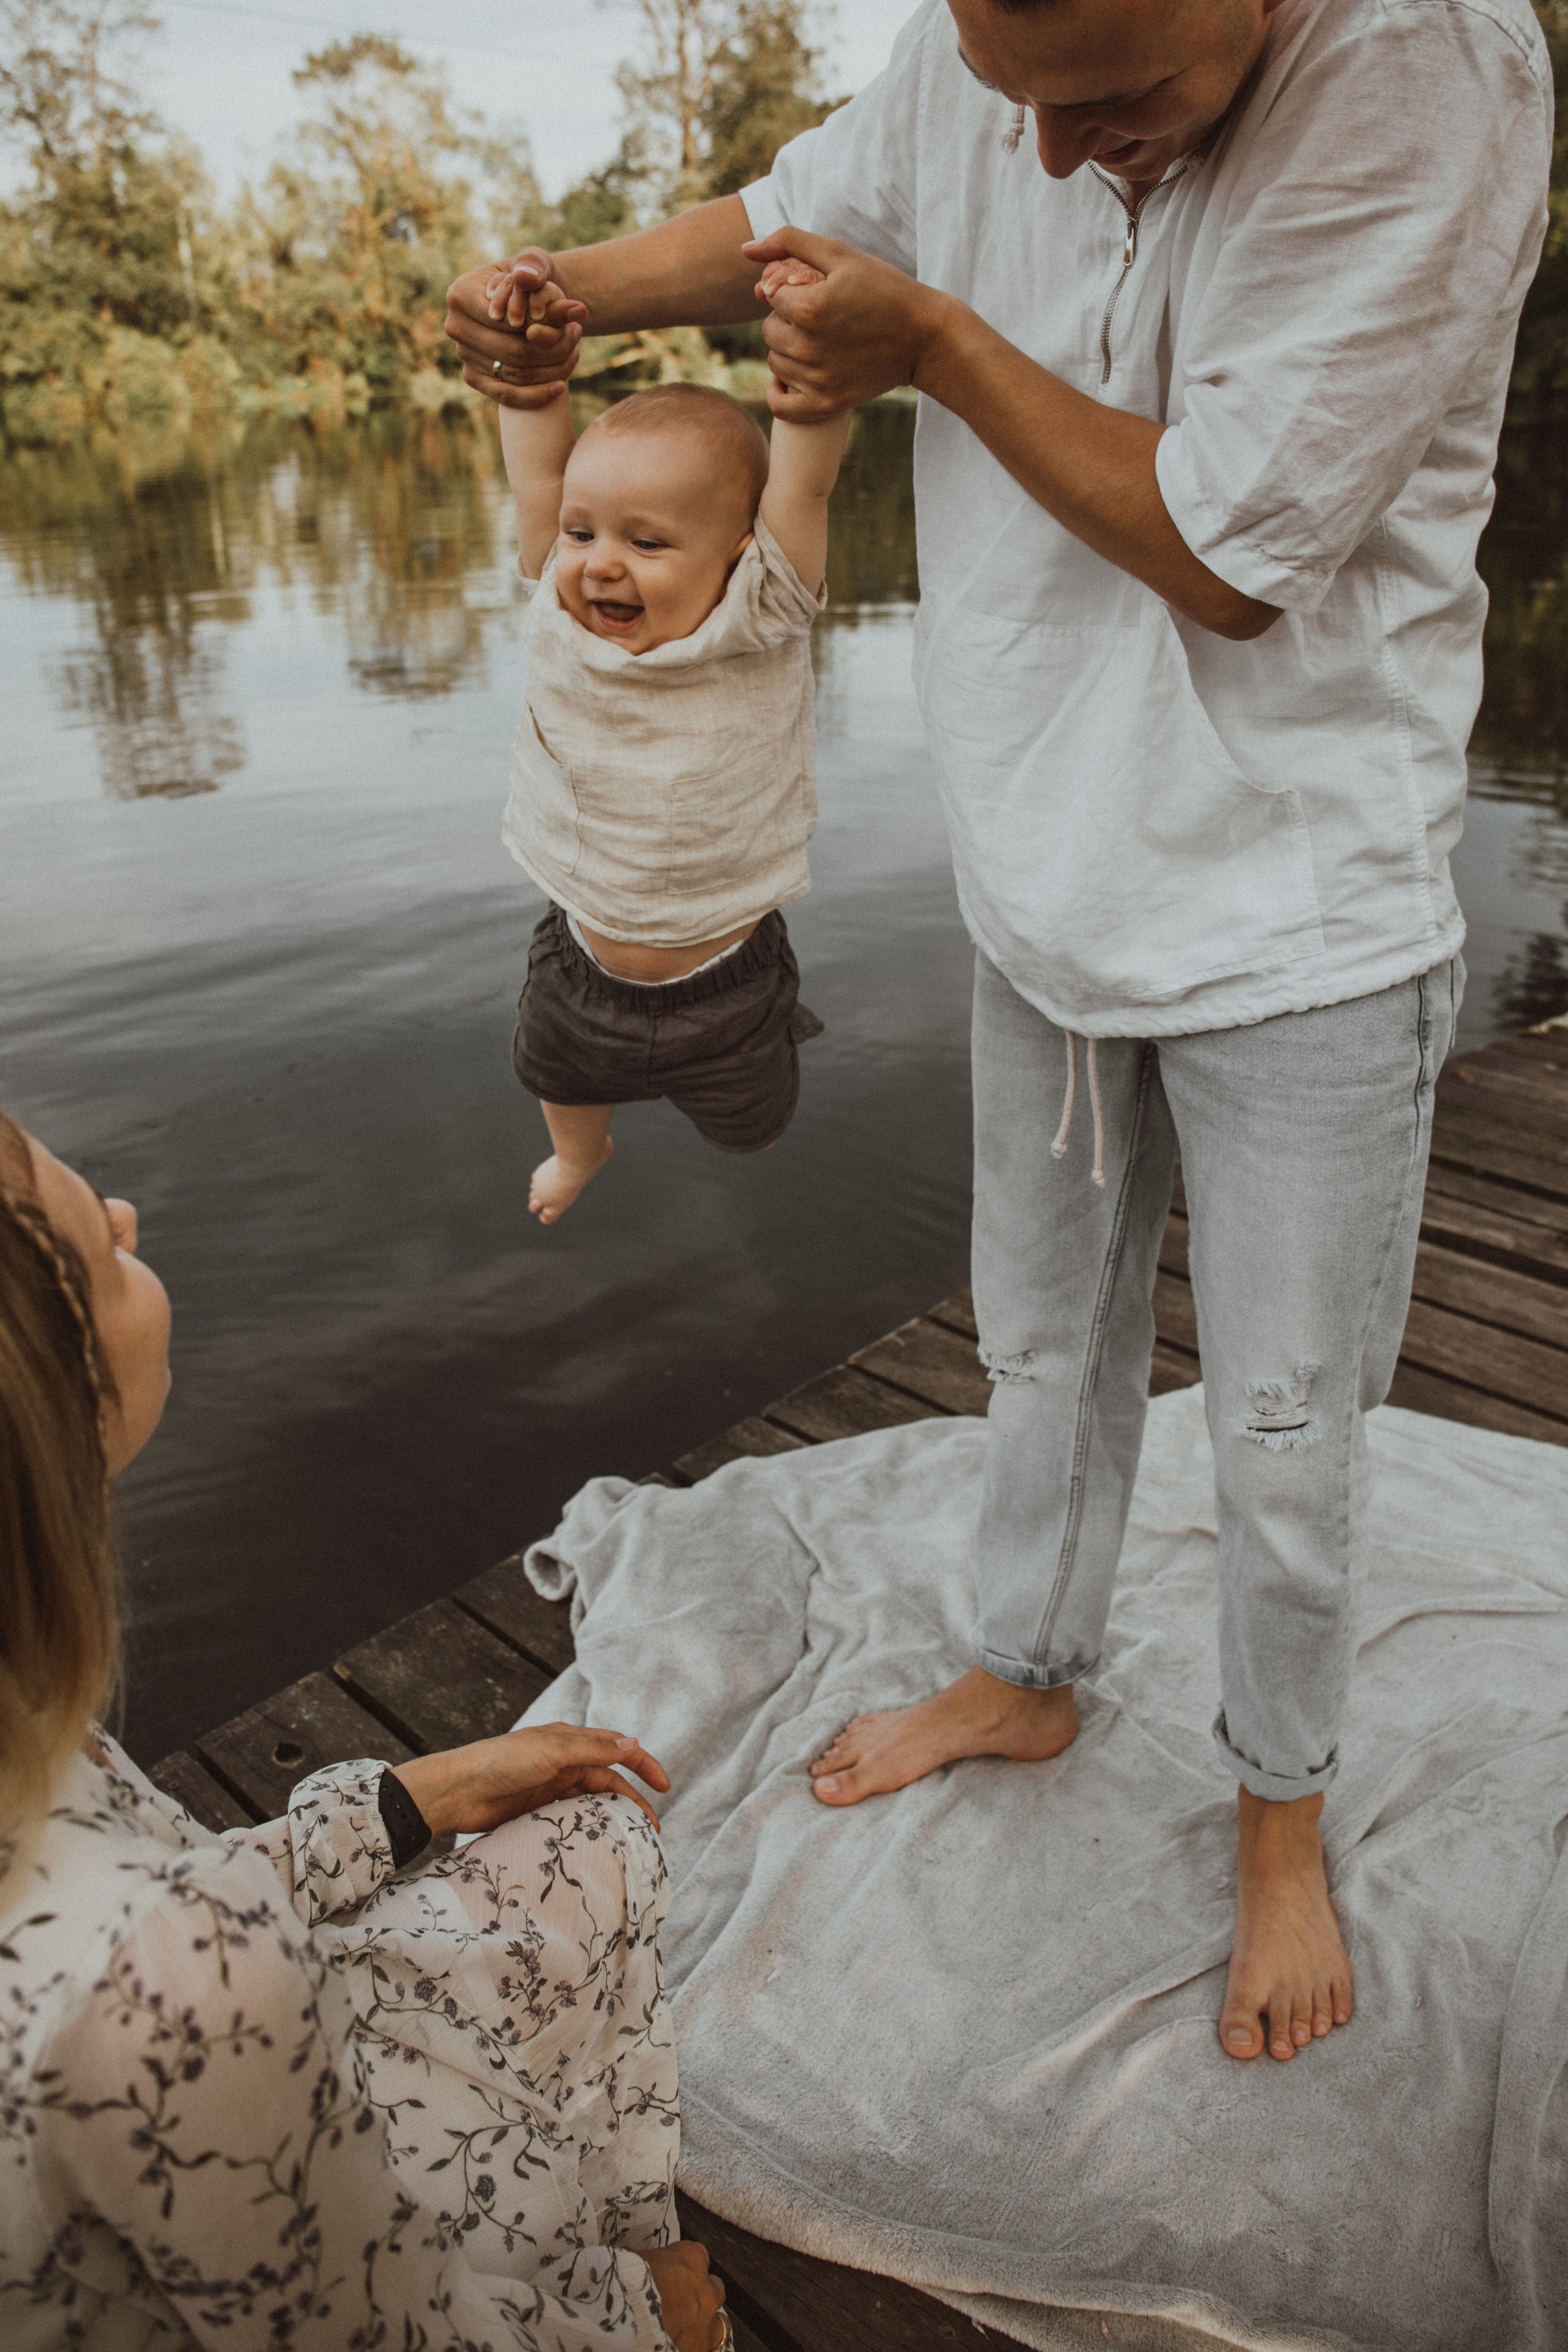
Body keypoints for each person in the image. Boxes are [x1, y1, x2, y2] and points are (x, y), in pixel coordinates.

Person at [443, 0, 1550, 2066]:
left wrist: (936, 343)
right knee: (1037, 1343)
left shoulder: (1428, 68)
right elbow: (782, 222)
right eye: (1009, 97)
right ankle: (1030, 1670)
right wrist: (560, 290)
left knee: (1286, 1430)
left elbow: (1231, 552)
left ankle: (1282, 1819)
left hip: (1295, 905)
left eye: (1109, 100)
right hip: (1041, 876)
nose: (1039, 153)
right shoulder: (991, 58)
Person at [0, 1110, 730, 2351]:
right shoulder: (172, 1983)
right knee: (606, 1842)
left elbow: (147, 1906)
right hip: (317, 2211)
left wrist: (405, 1802)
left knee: (591, 1837)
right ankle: (606, 2267)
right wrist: (642, 2321)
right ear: (43, 1403)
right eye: (101, 1250)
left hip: (207, 2145)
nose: (129, 1217)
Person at [493, 258, 850, 1222]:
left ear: (739, 557)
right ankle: (582, 1155)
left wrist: (813, 372)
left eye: (646, 542)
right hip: (581, 961)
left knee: (753, 1123)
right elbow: (539, 471)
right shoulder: (559, 603)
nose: (599, 564)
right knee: (553, 1071)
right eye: (584, 534)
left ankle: (746, 1107)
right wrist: (532, 378)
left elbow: (805, 486)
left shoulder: (761, 613)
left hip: (728, 982)